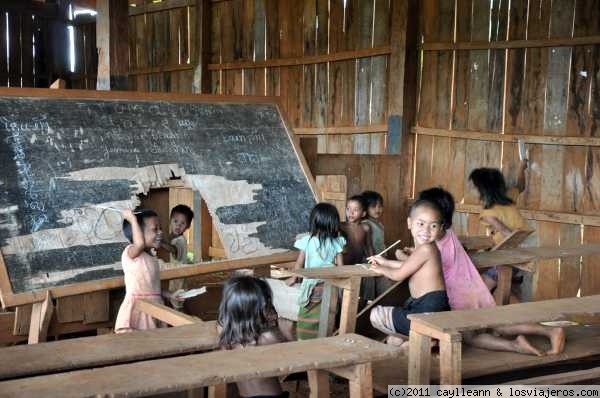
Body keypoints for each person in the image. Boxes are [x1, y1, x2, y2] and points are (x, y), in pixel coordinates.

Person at [416, 187, 565, 356]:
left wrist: (401, 256)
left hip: (458, 295)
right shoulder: (448, 234)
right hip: (476, 287)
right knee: (499, 323)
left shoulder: (431, 245)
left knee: (470, 337)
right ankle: (548, 332)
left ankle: (516, 345)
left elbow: (420, 264)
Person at [367, 197, 450, 349]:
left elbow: (399, 274)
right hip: (429, 308)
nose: (426, 230)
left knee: (376, 315)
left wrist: (381, 269)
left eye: (433, 226)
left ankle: (426, 340)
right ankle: (423, 340)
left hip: (428, 310)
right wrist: (384, 261)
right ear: (409, 223)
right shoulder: (426, 249)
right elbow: (407, 265)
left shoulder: (426, 248)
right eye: (421, 224)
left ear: (440, 229)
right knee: (394, 341)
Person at [218, 276, 288, 398]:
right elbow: (297, 355)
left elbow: (223, 321)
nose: (270, 308)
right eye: (267, 304)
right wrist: (286, 330)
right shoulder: (269, 338)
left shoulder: (225, 334)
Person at [115, 209, 182, 333]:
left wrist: (170, 295)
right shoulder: (131, 252)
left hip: (154, 310)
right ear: (138, 233)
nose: (160, 232)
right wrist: (132, 219)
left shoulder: (152, 258)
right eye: (155, 229)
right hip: (138, 311)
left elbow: (152, 290)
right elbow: (139, 244)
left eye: (160, 228)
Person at [468, 165, 533, 291]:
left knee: (482, 286)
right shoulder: (509, 197)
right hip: (522, 250)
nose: (471, 188)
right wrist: (522, 168)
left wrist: (521, 258)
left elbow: (510, 235)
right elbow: (521, 185)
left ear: (483, 189)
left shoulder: (488, 214)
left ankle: (478, 306)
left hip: (512, 255)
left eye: (473, 186)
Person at [287, 203, 345, 340]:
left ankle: (305, 341)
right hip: (331, 286)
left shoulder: (307, 241)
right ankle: (325, 340)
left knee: (306, 317)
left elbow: (299, 263)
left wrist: (294, 278)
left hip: (312, 287)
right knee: (328, 317)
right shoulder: (337, 242)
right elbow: (341, 267)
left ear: (314, 222)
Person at [160, 204, 194, 309]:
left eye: (182, 223)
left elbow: (172, 249)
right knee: (173, 299)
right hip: (174, 275)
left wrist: (159, 242)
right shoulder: (172, 237)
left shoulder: (181, 240)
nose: (178, 226)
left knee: (177, 302)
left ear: (188, 226)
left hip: (179, 277)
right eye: (175, 221)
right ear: (170, 220)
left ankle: (183, 320)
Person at [341, 195, 374, 301]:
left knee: (360, 292)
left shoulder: (365, 228)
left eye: (355, 210)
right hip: (344, 265)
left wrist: (372, 259)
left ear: (363, 213)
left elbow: (368, 246)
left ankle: (363, 307)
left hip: (358, 264)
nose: (350, 213)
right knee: (344, 293)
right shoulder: (340, 226)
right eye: (348, 209)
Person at [361, 190, 393, 296]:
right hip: (370, 261)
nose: (378, 209)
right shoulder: (365, 224)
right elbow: (366, 245)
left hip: (381, 260)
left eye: (380, 206)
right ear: (365, 208)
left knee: (383, 290)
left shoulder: (379, 224)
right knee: (368, 291)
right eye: (374, 206)